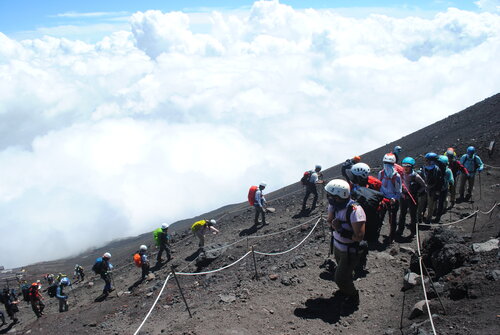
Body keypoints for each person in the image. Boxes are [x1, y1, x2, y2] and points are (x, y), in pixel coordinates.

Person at [325, 179, 366, 307]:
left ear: (340, 197)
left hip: (349, 250)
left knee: (339, 278)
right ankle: (346, 287)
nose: (330, 199)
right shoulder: (334, 206)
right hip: (338, 246)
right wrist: (331, 220)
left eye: (332, 197)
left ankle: (353, 296)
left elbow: (359, 236)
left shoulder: (355, 211)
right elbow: (329, 221)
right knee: (343, 273)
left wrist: (340, 229)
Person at [378, 153, 402, 242]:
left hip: (393, 200)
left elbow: (399, 190)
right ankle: (376, 234)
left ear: (393, 164)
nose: (387, 165)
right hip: (384, 199)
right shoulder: (381, 173)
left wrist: (395, 199)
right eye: (385, 163)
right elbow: (380, 186)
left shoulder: (396, 176)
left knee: (392, 219)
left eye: (389, 163)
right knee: (380, 217)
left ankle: (391, 237)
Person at [399, 157, 426, 237]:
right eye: (404, 165)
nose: (405, 167)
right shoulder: (401, 174)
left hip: (412, 197)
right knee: (402, 214)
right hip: (403, 197)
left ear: (412, 166)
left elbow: (424, 185)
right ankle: (400, 230)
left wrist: (417, 192)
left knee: (413, 215)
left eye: (408, 166)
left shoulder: (415, 176)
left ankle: (413, 232)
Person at [418, 153, 443, 224]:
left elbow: (439, 182)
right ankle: (419, 218)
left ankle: (428, 219)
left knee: (430, 205)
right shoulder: (423, 168)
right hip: (424, 189)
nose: (426, 161)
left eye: (427, 160)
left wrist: (437, 191)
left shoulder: (437, 170)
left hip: (432, 190)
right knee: (421, 204)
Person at [434, 155, 454, 223]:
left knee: (440, 202)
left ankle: (438, 215)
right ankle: (436, 213)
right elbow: (451, 180)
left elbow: (451, 180)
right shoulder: (445, 170)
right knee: (438, 202)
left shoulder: (447, 171)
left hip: (442, 188)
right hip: (440, 188)